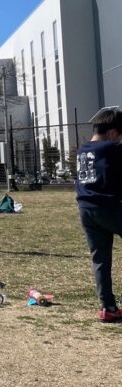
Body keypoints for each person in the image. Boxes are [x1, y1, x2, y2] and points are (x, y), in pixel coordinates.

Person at [75, 106, 122, 323]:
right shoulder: (112, 148)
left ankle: (108, 307)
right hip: (109, 207)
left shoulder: (83, 149)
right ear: (113, 133)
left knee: (100, 259)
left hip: (86, 209)